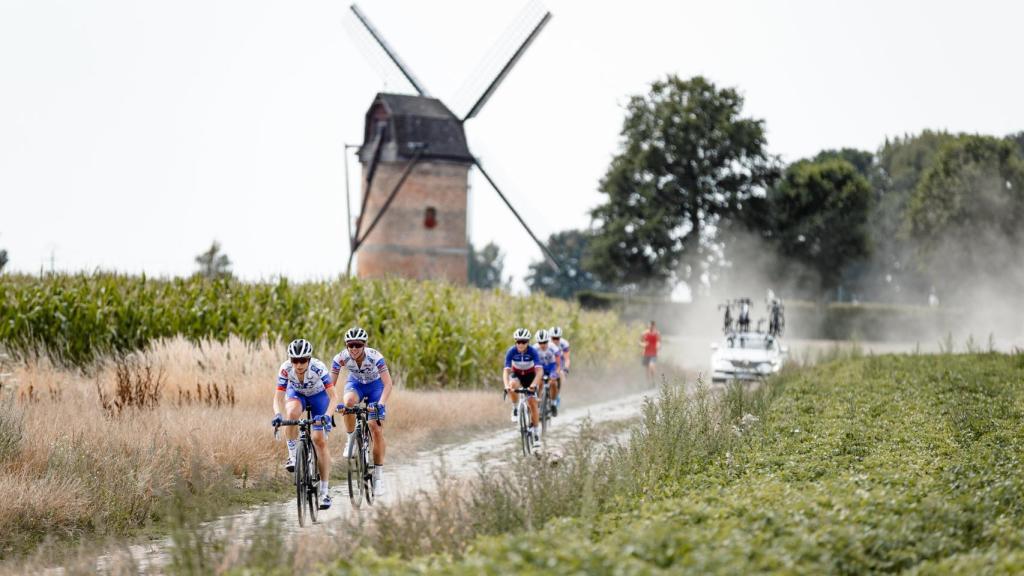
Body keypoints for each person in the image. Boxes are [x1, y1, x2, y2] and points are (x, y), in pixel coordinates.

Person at [271, 338, 338, 510]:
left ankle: (324, 492)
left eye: (302, 360)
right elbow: (278, 398)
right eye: (295, 360)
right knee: (292, 414)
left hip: (319, 397)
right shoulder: (286, 369)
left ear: (309, 359)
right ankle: (293, 456)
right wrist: (278, 415)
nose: (299, 365)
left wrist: (327, 416)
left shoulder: (319, 368)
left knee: (318, 440)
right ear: (290, 360)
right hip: (298, 394)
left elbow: (334, 397)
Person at [330, 326, 393, 497]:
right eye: (350, 345)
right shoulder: (341, 358)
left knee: (375, 427)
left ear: (364, 345)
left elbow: (388, 384)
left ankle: (378, 479)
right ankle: (351, 438)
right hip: (356, 384)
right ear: (346, 345)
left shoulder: (375, 357)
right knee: (348, 402)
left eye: (358, 345)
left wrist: (380, 404)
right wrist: (332, 404)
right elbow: (330, 386)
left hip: (376, 387)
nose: (354, 349)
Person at [503, 328, 543, 444]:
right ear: (515, 342)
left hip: (530, 376)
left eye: (524, 342)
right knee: (512, 384)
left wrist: (533, 385)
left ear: (528, 342)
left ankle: (536, 432)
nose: (521, 344)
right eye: (518, 342)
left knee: (532, 403)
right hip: (517, 374)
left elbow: (539, 372)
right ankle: (515, 408)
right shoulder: (511, 351)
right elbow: (506, 371)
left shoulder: (533, 352)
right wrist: (506, 386)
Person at [534, 328, 563, 416]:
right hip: (540, 367)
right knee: (539, 383)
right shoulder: (534, 348)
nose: (543, 345)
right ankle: (538, 402)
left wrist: (556, 374)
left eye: (545, 342)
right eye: (540, 342)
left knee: (553, 383)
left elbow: (558, 364)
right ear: (537, 342)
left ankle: (553, 403)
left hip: (552, 367)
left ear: (548, 341)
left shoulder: (554, 348)